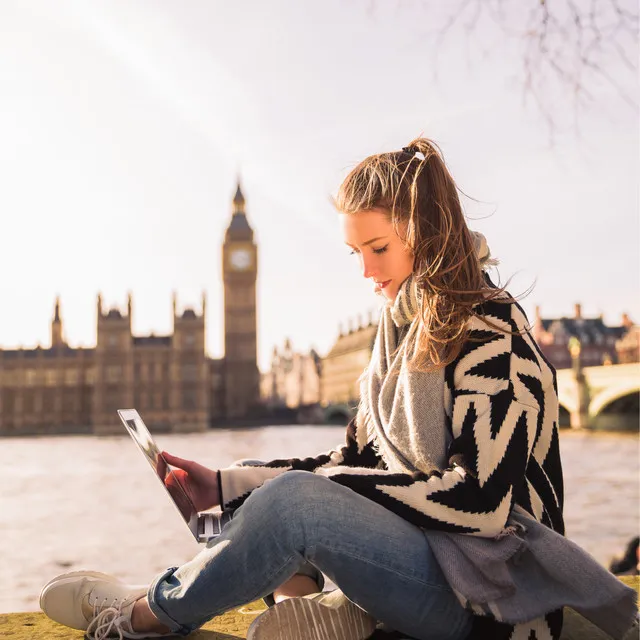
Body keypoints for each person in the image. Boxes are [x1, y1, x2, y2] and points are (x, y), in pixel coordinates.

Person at [39, 138, 636, 640]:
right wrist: (225, 483)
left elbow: (480, 503)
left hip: (492, 598)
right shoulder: (399, 339)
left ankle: (145, 616)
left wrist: (319, 491)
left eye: (379, 248)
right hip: (434, 564)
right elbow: (351, 459)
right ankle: (326, 612)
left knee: (297, 501)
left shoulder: (489, 333)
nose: (367, 270)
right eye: (356, 252)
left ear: (428, 232)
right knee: (260, 486)